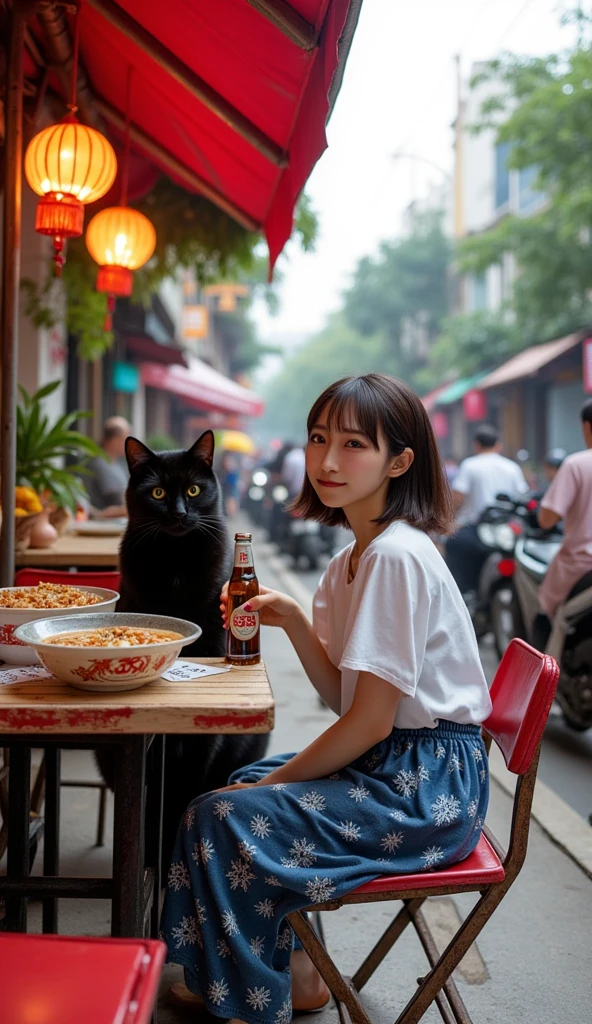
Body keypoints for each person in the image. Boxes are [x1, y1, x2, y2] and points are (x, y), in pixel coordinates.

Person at [161, 374, 492, 1024]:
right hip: (400, 767)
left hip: (426, 791)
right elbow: (350, 699)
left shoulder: (394, 558)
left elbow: (367, 723)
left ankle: (254, 996)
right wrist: (293, 620)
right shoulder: (358, 556)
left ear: (400, 461)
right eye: (318, 439)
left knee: (228, 811)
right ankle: (300, 974)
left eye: (353, 444)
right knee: (243, 783)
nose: (328, 461)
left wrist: (270, 786)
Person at [533, 401, 592, 649]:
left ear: (586, 427)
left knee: (550, 614)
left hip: (581, 567)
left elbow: (547, 519)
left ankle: (551, 681)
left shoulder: (576, 464)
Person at [445, 424, 528, 595]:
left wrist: (447, 521)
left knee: (454, 546)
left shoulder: (470, 465)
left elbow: (457, 497)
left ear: (476, 445)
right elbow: (523, 496)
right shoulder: (512, 467)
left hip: (475, 529)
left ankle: (462, 594)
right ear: (498, 445)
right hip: (507, 531)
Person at [84, 416, 131, 518]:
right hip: (104, 527)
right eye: (126, 437)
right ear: (114, 440)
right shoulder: (100, 464)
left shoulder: (117, 463)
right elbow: (119, 501)